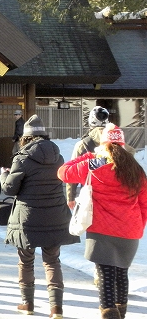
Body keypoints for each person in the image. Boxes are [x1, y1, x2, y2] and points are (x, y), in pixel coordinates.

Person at [58, 124, 147, 319]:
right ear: (123, 145)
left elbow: (63, 172)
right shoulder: (135, 169)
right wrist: (138, 226)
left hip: (101, 229)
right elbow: (144, 203)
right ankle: (121, 313)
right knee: (122, 274)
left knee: (106, 275)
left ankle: (108, 314)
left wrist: (87, 156)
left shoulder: (94, 165)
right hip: (129, 230)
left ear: (102, 144)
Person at [0, 114, 77, 318]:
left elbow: (9, 189)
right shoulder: (58, 157)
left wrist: (3, 175)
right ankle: (56, 308)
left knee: (26, 261)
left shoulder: (22, 158)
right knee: (52, 261)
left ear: (26, 138)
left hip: (28, 217)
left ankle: (28, 303)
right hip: (55, 215)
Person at [66, 106, 109, 209]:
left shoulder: (82, 145)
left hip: (89, 196)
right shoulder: (117, 143)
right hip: (114, 197)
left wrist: (70, 197)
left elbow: (72, 172)